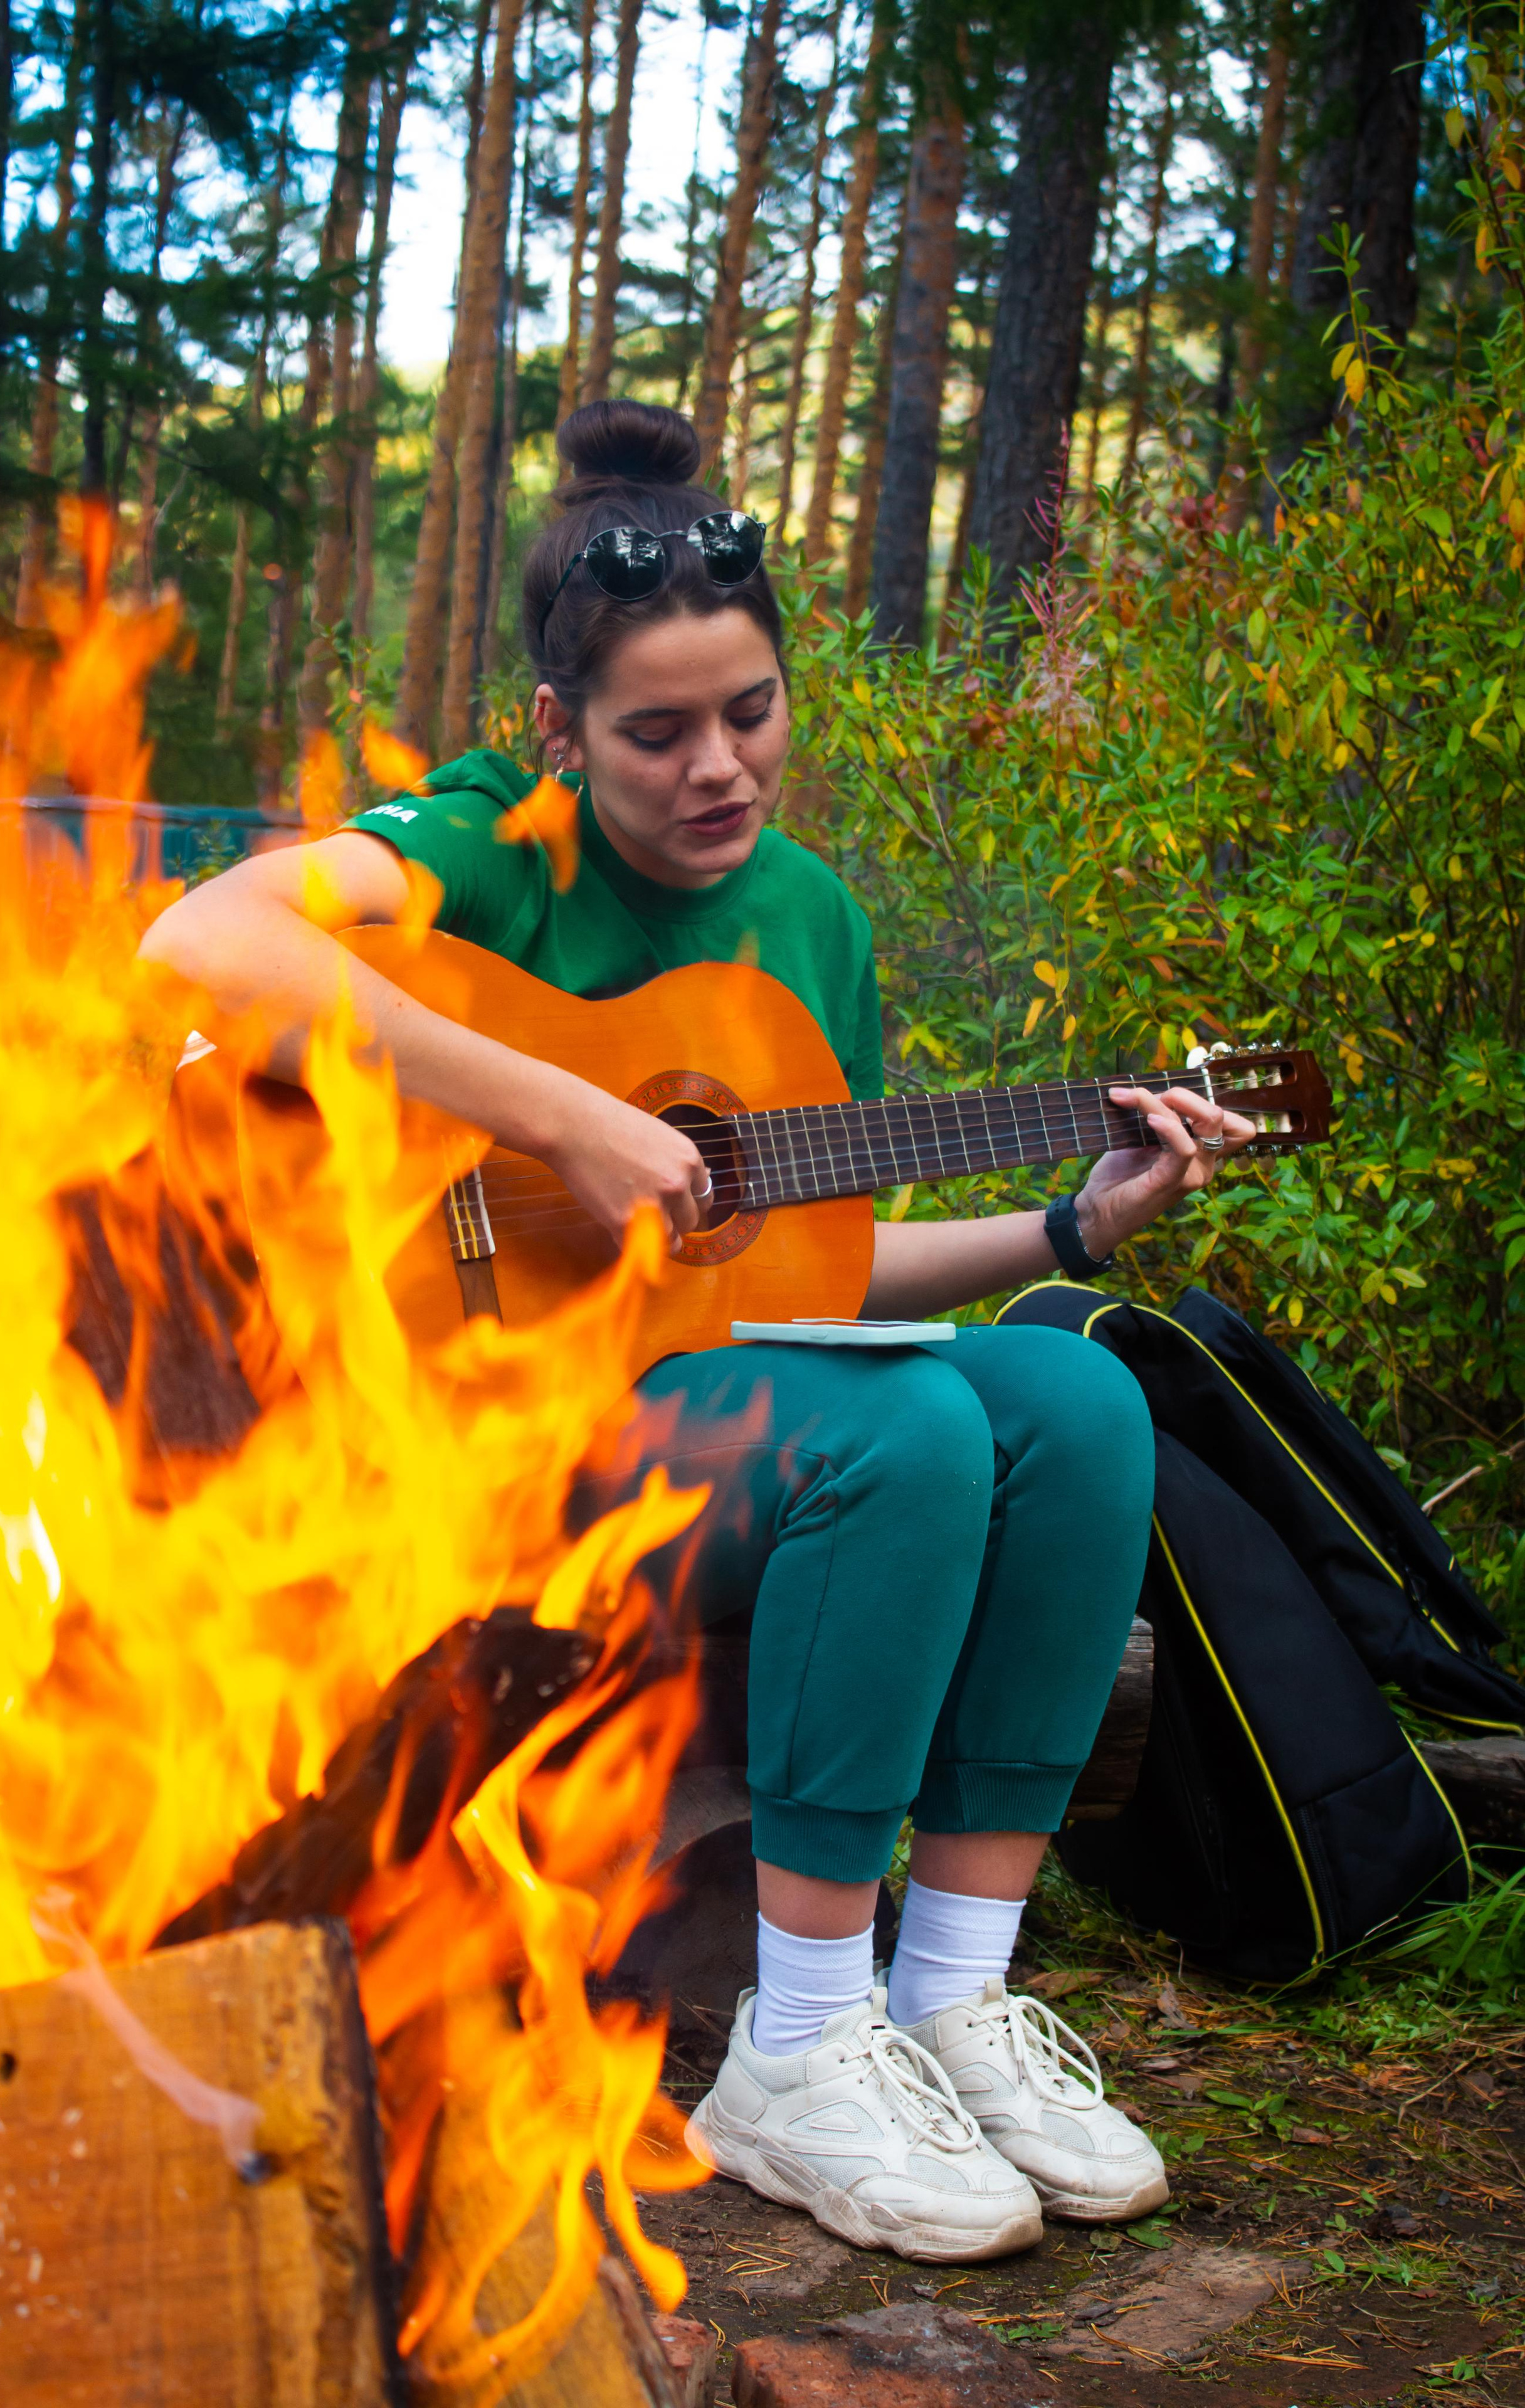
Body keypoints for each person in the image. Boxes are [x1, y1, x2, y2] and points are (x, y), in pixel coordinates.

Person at [141, 399, 1254, 2266]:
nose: (720, 766)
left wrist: (1070, 1222)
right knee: (899, 1441)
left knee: (1072, 1393)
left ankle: (951, 1999)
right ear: (562, 734)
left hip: (703, 1430)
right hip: (475, 1441)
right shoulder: (494, 845)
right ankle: (796, 2052)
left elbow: (803, 1275)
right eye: (658, 732)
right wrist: (559, 1111)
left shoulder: (807, 919)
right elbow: (204, 948)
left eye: (752, 712)